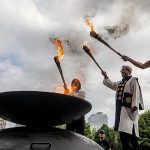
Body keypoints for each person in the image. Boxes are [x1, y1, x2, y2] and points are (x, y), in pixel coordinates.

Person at [101, 66, 144, 150]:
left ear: (129, 71)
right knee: (123, 138)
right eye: (121, 70)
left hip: (129, 112)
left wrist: (134, 105)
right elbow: (112, 85)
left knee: (132, 138)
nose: (121, 71)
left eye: (123, 70)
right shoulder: (120, 83)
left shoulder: (133, 80)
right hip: (120, 114)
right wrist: (105, 76)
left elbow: (136, 92)